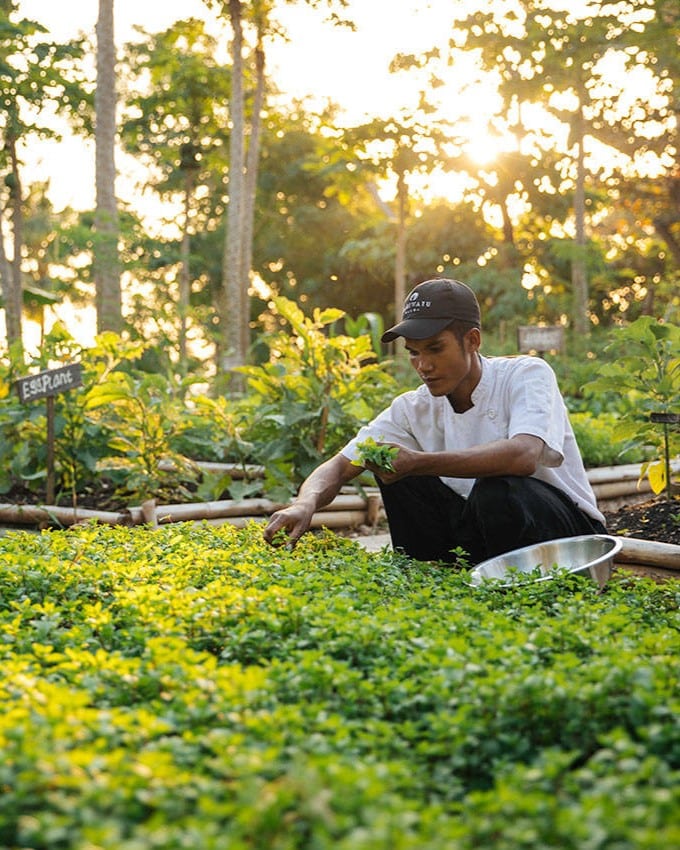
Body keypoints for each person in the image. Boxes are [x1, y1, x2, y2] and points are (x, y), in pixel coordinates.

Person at [263, 278, 606, 565]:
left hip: (566, 532)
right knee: (392, 468)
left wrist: (419, 463)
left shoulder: (525, 374)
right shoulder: (413, 407)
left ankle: (508, 582)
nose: (423, 365)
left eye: (435, 349)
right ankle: (431, 570)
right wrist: (304, 503)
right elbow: (339, 465)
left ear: (472, 340)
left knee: (495, 488)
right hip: (487, 532)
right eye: (414, 352)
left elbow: (524, 455)